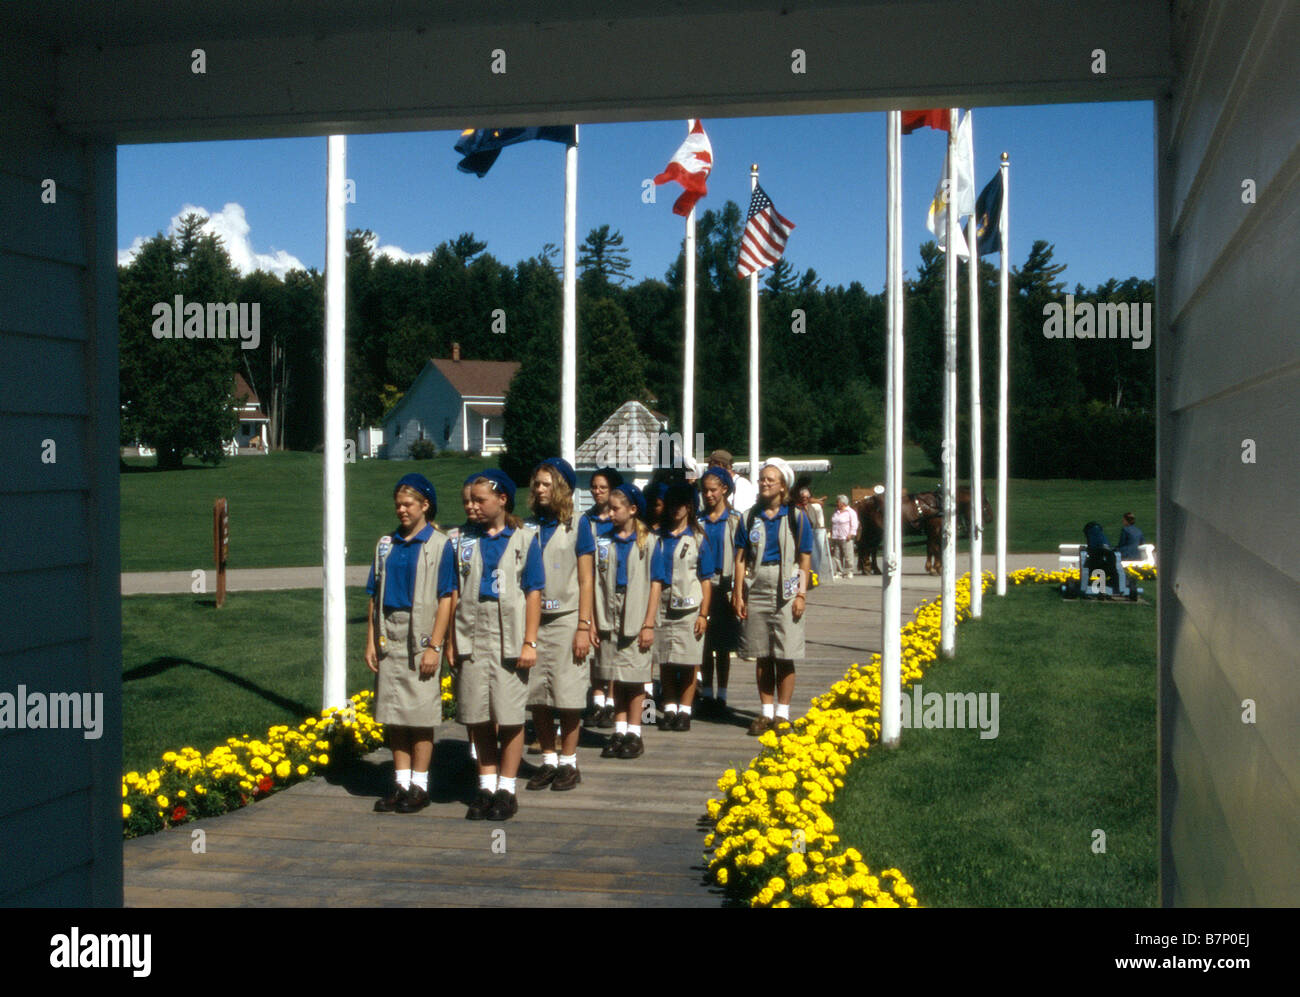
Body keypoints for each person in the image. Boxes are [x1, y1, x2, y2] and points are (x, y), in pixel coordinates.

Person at [454, 469, 545, 821]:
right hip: (473, 636)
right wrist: (450, 643)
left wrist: (529, 641)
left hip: (510, 637)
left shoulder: (524, 540)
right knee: (477, 715)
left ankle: (507, 789)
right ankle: (486, 784)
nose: (473, 506)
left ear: (502, 499)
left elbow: (533, 592)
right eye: (469, 501)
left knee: (508, 716)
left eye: (480, 500)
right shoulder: (460, 540)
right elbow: (452, 593)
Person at [365, 473, 458, 814]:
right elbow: (373, 593)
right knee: (395, 715)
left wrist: (435, 645)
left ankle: (420, 785)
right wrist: (371, 641)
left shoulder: (439, 544)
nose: (402, 510)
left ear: (425, 505)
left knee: (419, 714)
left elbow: (447, 597)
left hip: (421, 634)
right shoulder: (386, 544)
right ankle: (401, 784)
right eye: (398, 505)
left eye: (408, 504)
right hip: (390, 633)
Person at [522, 458, 594, 793]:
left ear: (562, 487)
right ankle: (548, 759)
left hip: (566, 618)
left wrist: (584, 624)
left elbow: (585, 578)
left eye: (546, 484)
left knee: (567, 693)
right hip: (535, 620)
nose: (539, 490)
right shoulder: (526, 528)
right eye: (537, 484)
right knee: (537, 694)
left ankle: (569, 762)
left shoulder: (578, 525)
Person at [732, 457, 813, 736]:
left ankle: (783, 714)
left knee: (785, 652)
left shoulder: (795, 517)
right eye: (762, 479)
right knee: (762, 653)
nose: (764, 483)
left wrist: (801, 594)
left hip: (786, 585)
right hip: (756, 585)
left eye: (770, 480)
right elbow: (740, 558)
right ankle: (765, 712)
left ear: (783, 487)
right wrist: (738, 592)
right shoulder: (749, 517)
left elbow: (804, 557)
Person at [592, 483, 656, 760]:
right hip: (609, 611)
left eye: (615, 508)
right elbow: (594, 578)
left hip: (636, 611)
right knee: (615, 676)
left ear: (632, 510)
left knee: (635, 676)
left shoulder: (647, 541)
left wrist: (649, 623)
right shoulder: (604, 540)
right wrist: (593, 621)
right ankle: (618, 730)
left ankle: (635, 731)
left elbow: (656, 582)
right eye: (608, 508)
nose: (610, 513)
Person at [651, 482, 715, 731]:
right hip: (663, 604)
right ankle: (669, 707)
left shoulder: (698, 538)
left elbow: (706, 580)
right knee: (665, 659)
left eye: (681, 505)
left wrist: (704, 614)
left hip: (689, 606)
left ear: (689, 507)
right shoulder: (657, 537)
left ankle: (685, 710)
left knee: (688, 660)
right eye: (672, 505)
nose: (675, 510)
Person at [698, 465, 742, 717]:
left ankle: (722, 694)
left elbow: (741, 555)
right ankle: (706, 693)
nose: (708, 495)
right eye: (705, 491)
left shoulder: (735, 520)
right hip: (704, 585)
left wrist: (738, 590)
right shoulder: (699, 520)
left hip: (725, 586)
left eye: (713, 490)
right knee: (704, 644)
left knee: (723, 645)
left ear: (724, 490)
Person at [581, 467, 622, 729]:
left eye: (602, 488)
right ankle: (597, 701)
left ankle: (611, 701)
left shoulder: (618, 521)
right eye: (594, 487)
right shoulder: (586, 520)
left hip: (613, 585)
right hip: (590, 583)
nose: (597, 492)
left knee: (613, 645)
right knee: (595, 648)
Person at [795, 480, 833, 584]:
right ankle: (801, 580)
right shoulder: (796, 507)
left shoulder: (814, 507)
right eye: (802, 497)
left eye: (806, 498)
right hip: (799, 536)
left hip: (812, 533)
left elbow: (818, 523)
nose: (805, 499)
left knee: (813, 558)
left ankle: (813, 578)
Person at [710, 448, 757, 515]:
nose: (708, 468)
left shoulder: (742, 484)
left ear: (720, 465)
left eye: (710, 464)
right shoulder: (718, 484)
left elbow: (742, 514)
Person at [1082, 520, 1121, 593]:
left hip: (1096, 564)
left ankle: (1090, 586)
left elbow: (1092, 549)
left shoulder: (1092, 537)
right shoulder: (1104, 541)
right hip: (1109, 566)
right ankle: (1116, 588)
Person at [830, 494, 858, 578]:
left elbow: (854, 524)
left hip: (846, 537)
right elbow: (833, 523)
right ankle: (839, 572)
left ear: (843, 503)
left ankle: (849, 571)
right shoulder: (836, 512)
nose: (836, 503)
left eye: (838, 502)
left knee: (848, 555)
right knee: (837, 555)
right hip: (836, 536)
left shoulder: (850, 512)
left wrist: (851, 533)